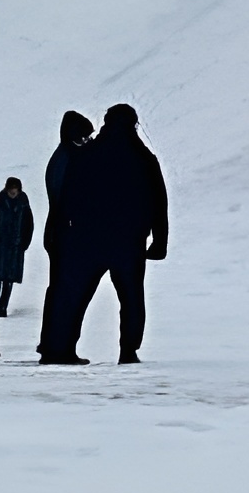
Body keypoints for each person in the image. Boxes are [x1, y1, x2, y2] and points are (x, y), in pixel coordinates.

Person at [41, 103, 168, 367]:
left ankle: (59, 348)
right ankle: (128, 351)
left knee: (75, 296)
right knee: (131, 298)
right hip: (129, 242)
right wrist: (159, 241)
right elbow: (159, 201)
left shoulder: (87, 155)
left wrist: (65, 231)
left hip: (87, 241)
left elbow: (68, 197)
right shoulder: (144, 159)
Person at [36, 111, 94, 359]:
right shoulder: (67, 159)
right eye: (85, 136)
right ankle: (58, 347)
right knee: (64, 291)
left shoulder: (63, 157)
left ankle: (53, 344)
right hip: (64, 233)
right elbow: (65, 200)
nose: (88, 141)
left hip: (58, 232)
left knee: (59, 290)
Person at [0, 176, 35, 315]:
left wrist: (24, 243)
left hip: (15, 247)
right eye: (11, 189)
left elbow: (29, 225)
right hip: (0, 246)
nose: (13, 192)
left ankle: (2, 307)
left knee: (8, 279)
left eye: (15, 189)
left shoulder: (23, 203)